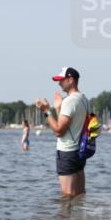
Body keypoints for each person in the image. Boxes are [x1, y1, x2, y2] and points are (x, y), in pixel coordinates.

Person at [36, 67, 90, 198]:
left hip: (67, 153)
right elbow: (67, 126)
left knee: (67, 196)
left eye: (62, 80)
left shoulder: (70, 101)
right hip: (79, 151)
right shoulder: (83, 99)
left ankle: (65, 219)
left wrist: (46, 111)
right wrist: (58, 108)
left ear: (71, 80)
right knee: (79, 195)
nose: (59, 83)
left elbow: (59, 131)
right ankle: (78, 219)